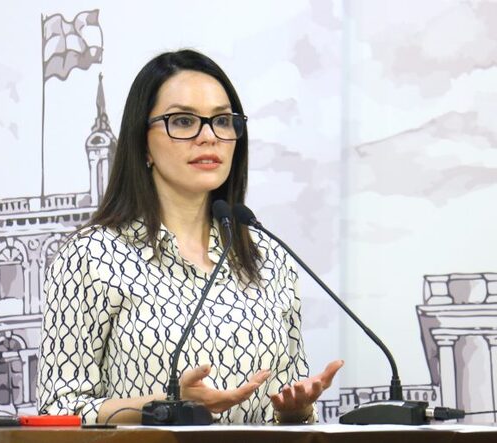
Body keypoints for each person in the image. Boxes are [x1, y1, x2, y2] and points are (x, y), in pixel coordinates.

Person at [37, 49, 343, 425]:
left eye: (222, 121)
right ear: (142, 142)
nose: (209, 137)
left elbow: (286, 407)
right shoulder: (92, 256)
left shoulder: (268, 257)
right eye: (183, 121)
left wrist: (297, 411)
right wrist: (167, 405)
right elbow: (59, 409)